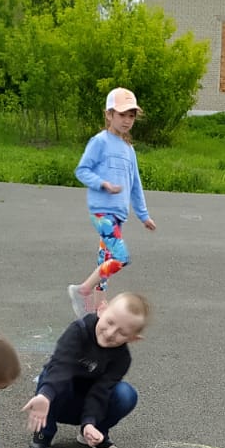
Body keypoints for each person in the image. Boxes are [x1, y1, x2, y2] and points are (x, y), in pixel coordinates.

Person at [69, 88, 156, 318]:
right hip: (102, 212)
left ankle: (95, 308)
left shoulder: (129, 149)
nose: (127, 120)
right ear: (109, 115)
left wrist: (144, 215)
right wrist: (103, 184)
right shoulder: (100, 142)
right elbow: (82, 170)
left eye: (131, 116)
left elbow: (135, 185)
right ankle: (82, 290)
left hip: (118, 213)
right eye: (122, 115)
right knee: (120, 258)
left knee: (105, 258)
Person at [26, 293, 147, 448]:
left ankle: (93, 432)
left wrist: (89, 422)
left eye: (122, 333)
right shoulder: (79, 331)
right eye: (110, 322)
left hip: (90, 404)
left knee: (126, 394)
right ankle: (43, 434)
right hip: (58, 398)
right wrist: (46, 395)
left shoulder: (122, 358)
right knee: (49, 375)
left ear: (133, 338)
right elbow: (60, 366)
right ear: (102, 309)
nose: (111, 333)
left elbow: (101, 391)